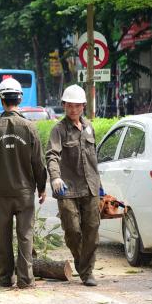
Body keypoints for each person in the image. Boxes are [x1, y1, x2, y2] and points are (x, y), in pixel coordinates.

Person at [0, 78, 47, 289]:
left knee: (3, 238)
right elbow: (38, 163)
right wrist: (42, 187)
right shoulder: (30, 128)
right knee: (25, 237)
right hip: (25, 194)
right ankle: (26, 280)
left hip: (0, 194)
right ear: (20, 98)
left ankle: (5, 279)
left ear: (1, 98)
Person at [45, 84, 101, 287]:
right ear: (63, 106)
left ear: (83, 106)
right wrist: (55, 177)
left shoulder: (89, 127)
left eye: (77, 106)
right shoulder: (58, 130)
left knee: (92, 231)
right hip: (67, 188)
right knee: (73, 231)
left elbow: (93, 158)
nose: (73, 110)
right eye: (69, 106)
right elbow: (52, 155)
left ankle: (87, 272)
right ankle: (82, 265)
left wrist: (100, 186)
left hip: (90, 186)